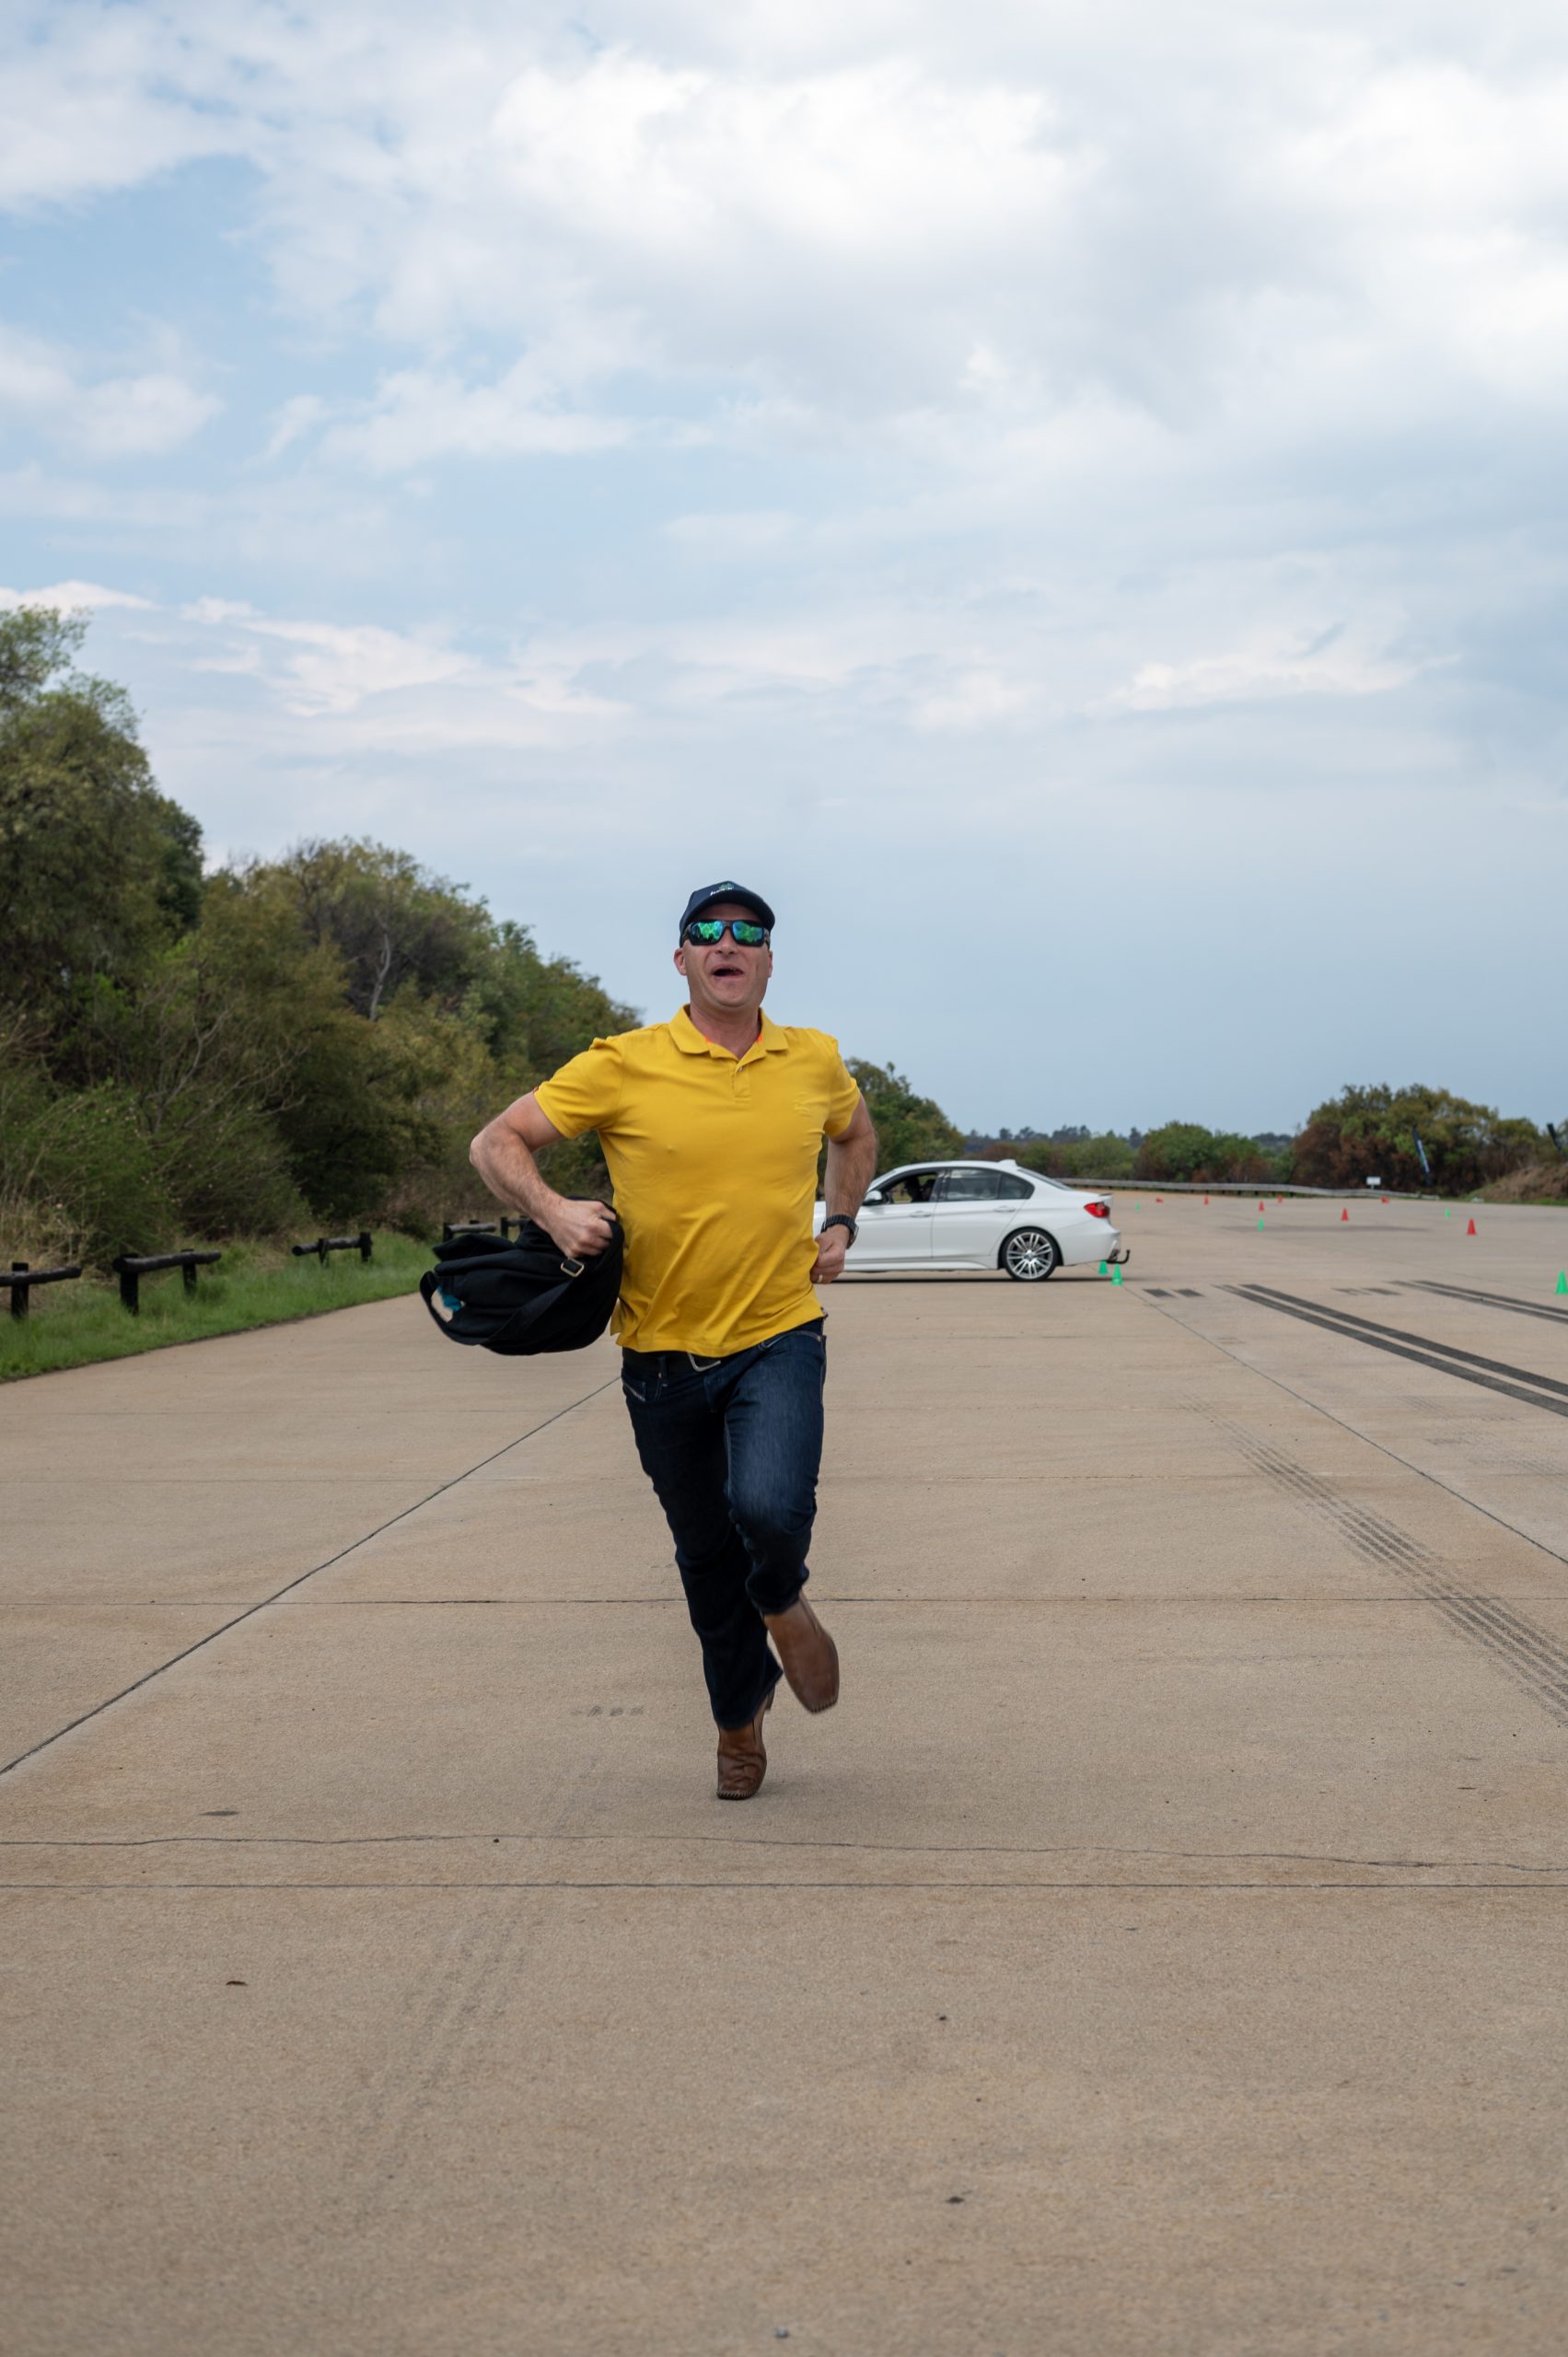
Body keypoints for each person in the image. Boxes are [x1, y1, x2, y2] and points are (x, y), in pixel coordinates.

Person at [469, 881, 878, 1800]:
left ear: (768, 959)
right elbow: (498, 1141)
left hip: (778, 1336)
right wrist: (550, 1207)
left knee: (767, 1509)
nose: (726, 943)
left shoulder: (812, 1060)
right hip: (657, 1359)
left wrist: (840, 1223)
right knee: (703, 1558)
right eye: (706, 932)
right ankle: (738, 1723)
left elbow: (854, 1135)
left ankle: (779, 1596)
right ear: (681, 958)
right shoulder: (621, 1063)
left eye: (747, 933)